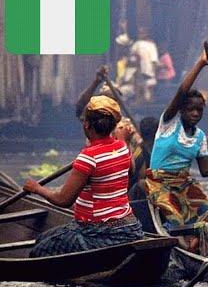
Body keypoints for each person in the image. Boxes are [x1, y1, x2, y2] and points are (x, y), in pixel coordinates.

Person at [145, 49, 208, 254]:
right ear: (181, 109)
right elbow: (182, 91)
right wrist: (201, 64)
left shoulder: (200, 136)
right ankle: (188, 244)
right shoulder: (169, 122)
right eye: (191, 109)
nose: (195, 113)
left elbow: (206, 170)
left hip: (185, 183)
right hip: (159, 183)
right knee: (174, 214)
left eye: (199, 110)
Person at [23, 96, 144, 257]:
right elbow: (130, 170)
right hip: (130, 226)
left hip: (97, 231)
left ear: (87, 125)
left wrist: (37, 188)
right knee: (42, 239)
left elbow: (63, 200)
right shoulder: (121, 146)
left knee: (37, 252)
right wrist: (123, 140)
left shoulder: (88, 157)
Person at [75, 65, 143, 189]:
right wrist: (96, 82)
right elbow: (80, 107)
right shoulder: (93, 119)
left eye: (111, 100)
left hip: (117, 177)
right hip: (94, 172)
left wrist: (124, 141)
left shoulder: (126, 126)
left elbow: (136, 159)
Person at [130, 27, 159, 103]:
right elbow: (132, 59)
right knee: (139, 95)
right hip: (139, 73)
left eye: (142, 32)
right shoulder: (136, 44)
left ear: (147, 33)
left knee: (149, 96)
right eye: (139, 33)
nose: (141, 34)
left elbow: (154, 61)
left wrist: (154, 74)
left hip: (149, 73)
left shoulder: (151, 45)